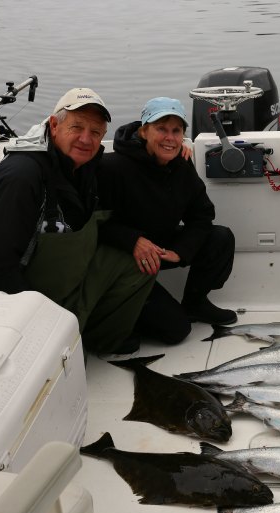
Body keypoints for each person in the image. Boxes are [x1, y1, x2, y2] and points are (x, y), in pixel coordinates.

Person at [0, 87, 155, 356]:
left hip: (68, 285)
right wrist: (39, 326)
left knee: (138, 262)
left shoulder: (85, 166)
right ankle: (57, 343)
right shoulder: (22, 177)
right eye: (77, 127)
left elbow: (130, 164)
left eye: (95, 132)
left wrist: (170, 156)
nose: (85, 139)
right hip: (25, 301)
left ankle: (94, 339)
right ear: (54, 125)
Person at [97, 97, 236, 346]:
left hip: (160, 248)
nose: (169, 138)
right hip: (125, 258)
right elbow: (92, 225)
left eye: (176, 131)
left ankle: (195, 302)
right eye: (161, 129)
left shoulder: (181, 164)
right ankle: (122, 315)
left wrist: (180, 252)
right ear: (143, 131)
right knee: (176, 331)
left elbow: (202, 215)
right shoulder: (111, 168)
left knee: (220, 237)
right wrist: (133, 241)